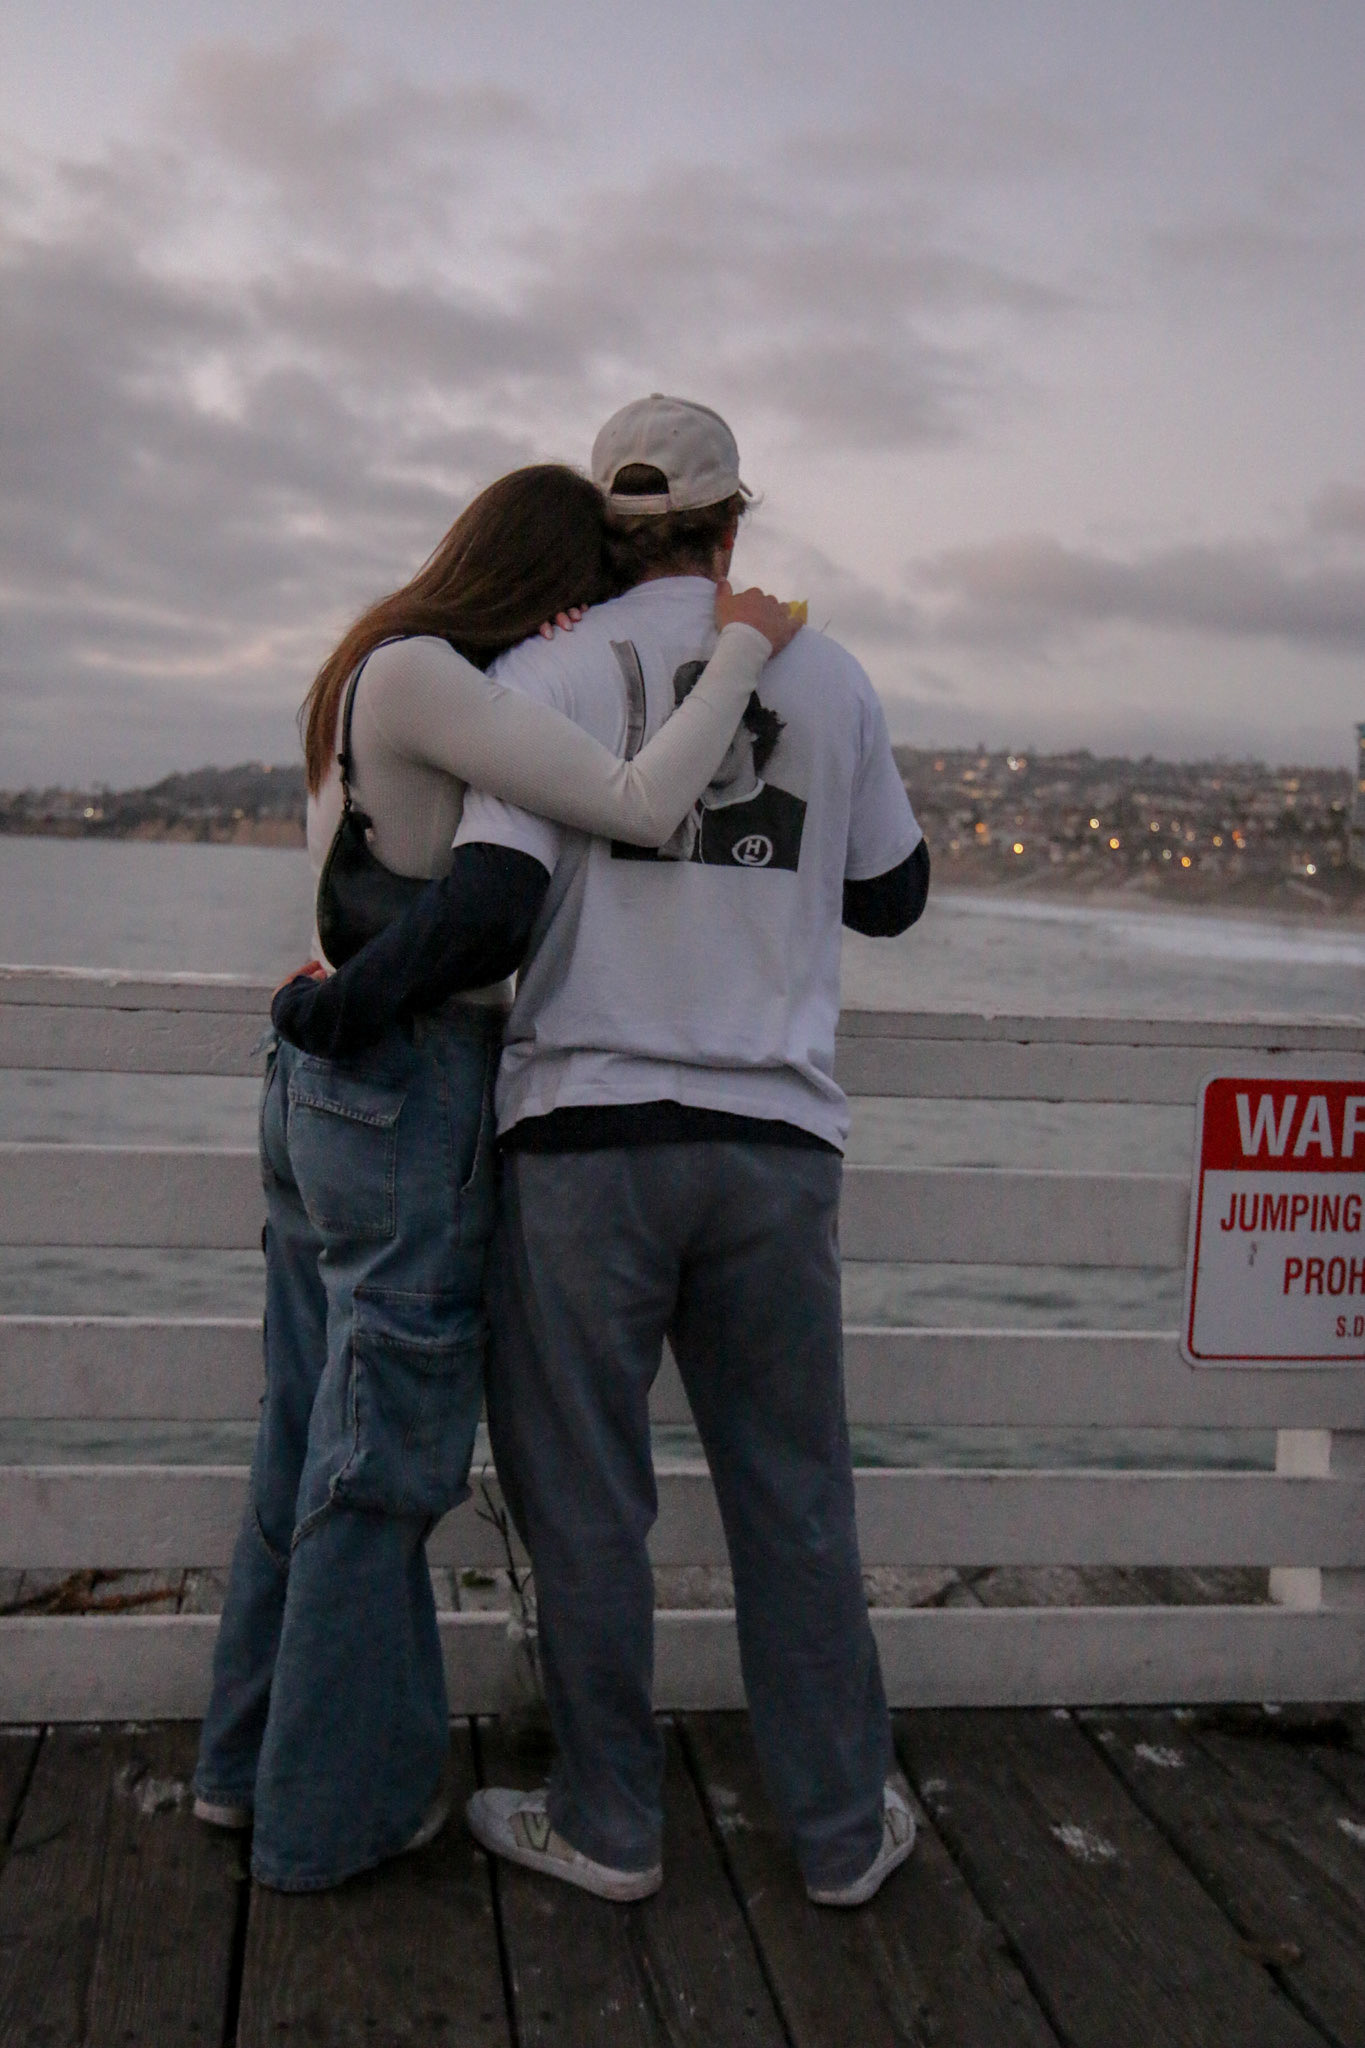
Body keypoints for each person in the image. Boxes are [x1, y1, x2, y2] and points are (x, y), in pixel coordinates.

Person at [277, 397, 929, 1908]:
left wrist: (343, 993)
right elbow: (891, 896)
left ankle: (611, 1825)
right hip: (773, 1142)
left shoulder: (546, 670)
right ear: (732, 524)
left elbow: (494, 899)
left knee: (586, 1506)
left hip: (584, 1138)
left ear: (607, 527)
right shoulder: (829, 672)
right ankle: (842, 1832)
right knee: (795, 1499)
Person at [192, 460, 801, 1893]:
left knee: (305, 1434)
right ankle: (328, 1818)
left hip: (327, 1090)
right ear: (543, 580)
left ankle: (244, 1767)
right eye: (582, 596)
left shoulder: (373, 666)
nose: (585, 625)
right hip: (408, 1089)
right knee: (382, 1464)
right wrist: (739, 651)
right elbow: (642, 802)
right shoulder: (425, 677)